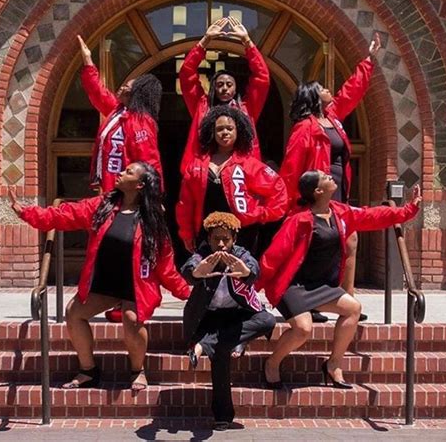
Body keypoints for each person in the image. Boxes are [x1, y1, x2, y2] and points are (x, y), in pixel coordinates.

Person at [9, 162, 190, 391]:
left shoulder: (152, 220)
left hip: (135, 286)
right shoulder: (103, 205)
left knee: (132, 319)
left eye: (128, 172)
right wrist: (26, 212)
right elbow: (65, 215)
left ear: (140, 184)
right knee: (73, 313)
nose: (120, 173)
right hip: (104, 283)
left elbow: (166, 267)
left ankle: (137, 371)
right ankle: (88, 371)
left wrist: (186, 292)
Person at [257, 170, 422, 389]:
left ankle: (333, 364)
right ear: (318, 191)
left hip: (322, 286)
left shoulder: (340, 213)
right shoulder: (299, 220)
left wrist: (409, 210)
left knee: (353, 309)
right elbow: (274, 255)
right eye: (325, 178)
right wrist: (253, 286)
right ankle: (272, 363)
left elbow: (372, 216)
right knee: (303, 329)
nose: (331, 176)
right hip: (293, 286)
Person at [279, 33, 382, 321]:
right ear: (313, 96)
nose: (328, 89)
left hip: (338, 190)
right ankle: (310, 300)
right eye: (322, 87)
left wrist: (369, 60)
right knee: (319, 248)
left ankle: (348, 301)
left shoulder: (333, 117)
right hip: (315, 195)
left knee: (349, 241)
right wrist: (292, 204)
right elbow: (290, 168)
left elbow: (352, 91)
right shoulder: (304, 128)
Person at [182, 212, 276, 431]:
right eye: (216, 239)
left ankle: (205, 344)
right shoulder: (204, 255)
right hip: (208, 318)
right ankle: (222, 417)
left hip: (236, 316)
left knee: (268, 320)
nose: (221, 244)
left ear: (234, 239)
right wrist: (198, 272)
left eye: (226, 239)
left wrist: (244, 271)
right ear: (209, 239)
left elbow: (253, 268)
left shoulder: (240, 254)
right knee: (221, 352)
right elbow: (189, 269)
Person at [176, 104, 288, 255]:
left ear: (238, 131)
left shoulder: (249, 165)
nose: (225, 132)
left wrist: (259, 214)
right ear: (212, 132)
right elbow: (186, 204)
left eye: (230, 128)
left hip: (242, 236)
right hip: (206, 236)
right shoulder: (196, 166)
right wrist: (186, 233)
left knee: (239, 277)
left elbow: (278, 190)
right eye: (219, 129)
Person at [179, 17, 270, 174]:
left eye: (229, 84)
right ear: (213, 87)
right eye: (219, 84)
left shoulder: (246, 108)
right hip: (204, 171)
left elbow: (262, 77)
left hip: (240, 172)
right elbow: (187, 73)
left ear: (236, 89)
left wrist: (247, 42)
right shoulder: (202, 106)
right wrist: (205, 41)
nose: (224, 88)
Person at [78, 35, 163, 193]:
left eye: (127, 87)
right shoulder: (119, 111)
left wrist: (154, 195)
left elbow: (148, 160)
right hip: (110, 187)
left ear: (136, 94)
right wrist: (88, 59)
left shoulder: (141, 121)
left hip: (126, 192)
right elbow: (98, 92)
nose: (122, 87)